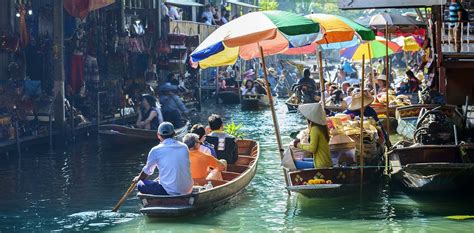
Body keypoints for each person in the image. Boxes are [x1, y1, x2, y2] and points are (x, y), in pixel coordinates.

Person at [133, 122, 193, 195]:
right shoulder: (184, 147)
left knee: (140, 184)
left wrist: (138, 178)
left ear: (158, 135)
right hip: (187, 189)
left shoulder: (155, 150)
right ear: (174, 133)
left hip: (170, 191)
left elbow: (147, 171)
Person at [293, 103, 332, 168]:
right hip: (327, 161)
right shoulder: (322, 127)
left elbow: (312, 149)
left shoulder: (315, 129)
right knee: (300, 160)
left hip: (321, 165)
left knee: (294, 163)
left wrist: (298, 145)